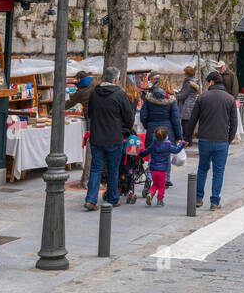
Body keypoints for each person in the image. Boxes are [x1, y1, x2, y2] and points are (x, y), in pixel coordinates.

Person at [186, 70, 237, 210]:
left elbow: (193, 119)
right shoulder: (230, 99)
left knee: (202, 169)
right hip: (222, 140)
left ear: (211, 82)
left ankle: (198, 198)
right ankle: (215, 201)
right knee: (218, 172)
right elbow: (234, 123)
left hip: (205, 140)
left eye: (207, 82)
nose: (207, 85)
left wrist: (187, 137)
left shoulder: (202, 98)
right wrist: (229, 139)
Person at [86, 66, 136, 210]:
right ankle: (113, 198)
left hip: (97, 137)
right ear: (115, 80)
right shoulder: (119, 94)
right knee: (113, 169)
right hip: (114, 137)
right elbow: (129, 117)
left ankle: (91, 200)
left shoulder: (94, 93)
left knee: (96, 169)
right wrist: (124, 128)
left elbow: (90, 113)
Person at [143, 126, 186, 207]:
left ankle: (150, 194)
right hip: (162, 171)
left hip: (153, 170)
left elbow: (146, 152)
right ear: (166, 136)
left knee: (155, 184)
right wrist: (182, 144)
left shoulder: (153, 144)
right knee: (161, 186)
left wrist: (139, 153)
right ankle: (160, 201)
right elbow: (176, 150)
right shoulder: (168, 145)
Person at [67, 74, 96, 189]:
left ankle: (87, 174)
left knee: (90, 141)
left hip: (90, 115)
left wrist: (56, 108)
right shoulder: (95, 82)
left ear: (79, 79)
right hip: (100, 115)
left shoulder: (81, 91)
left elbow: (70, 103)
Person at [176, 66, 200, 144]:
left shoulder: (189, 83)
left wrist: (175, 94)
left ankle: (187, 141)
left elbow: (183, 95)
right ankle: (189, 141)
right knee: (189, 123)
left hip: (186, 105)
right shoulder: (194, 81)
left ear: (187, 74)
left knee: (185, 123)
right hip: (191, 104)